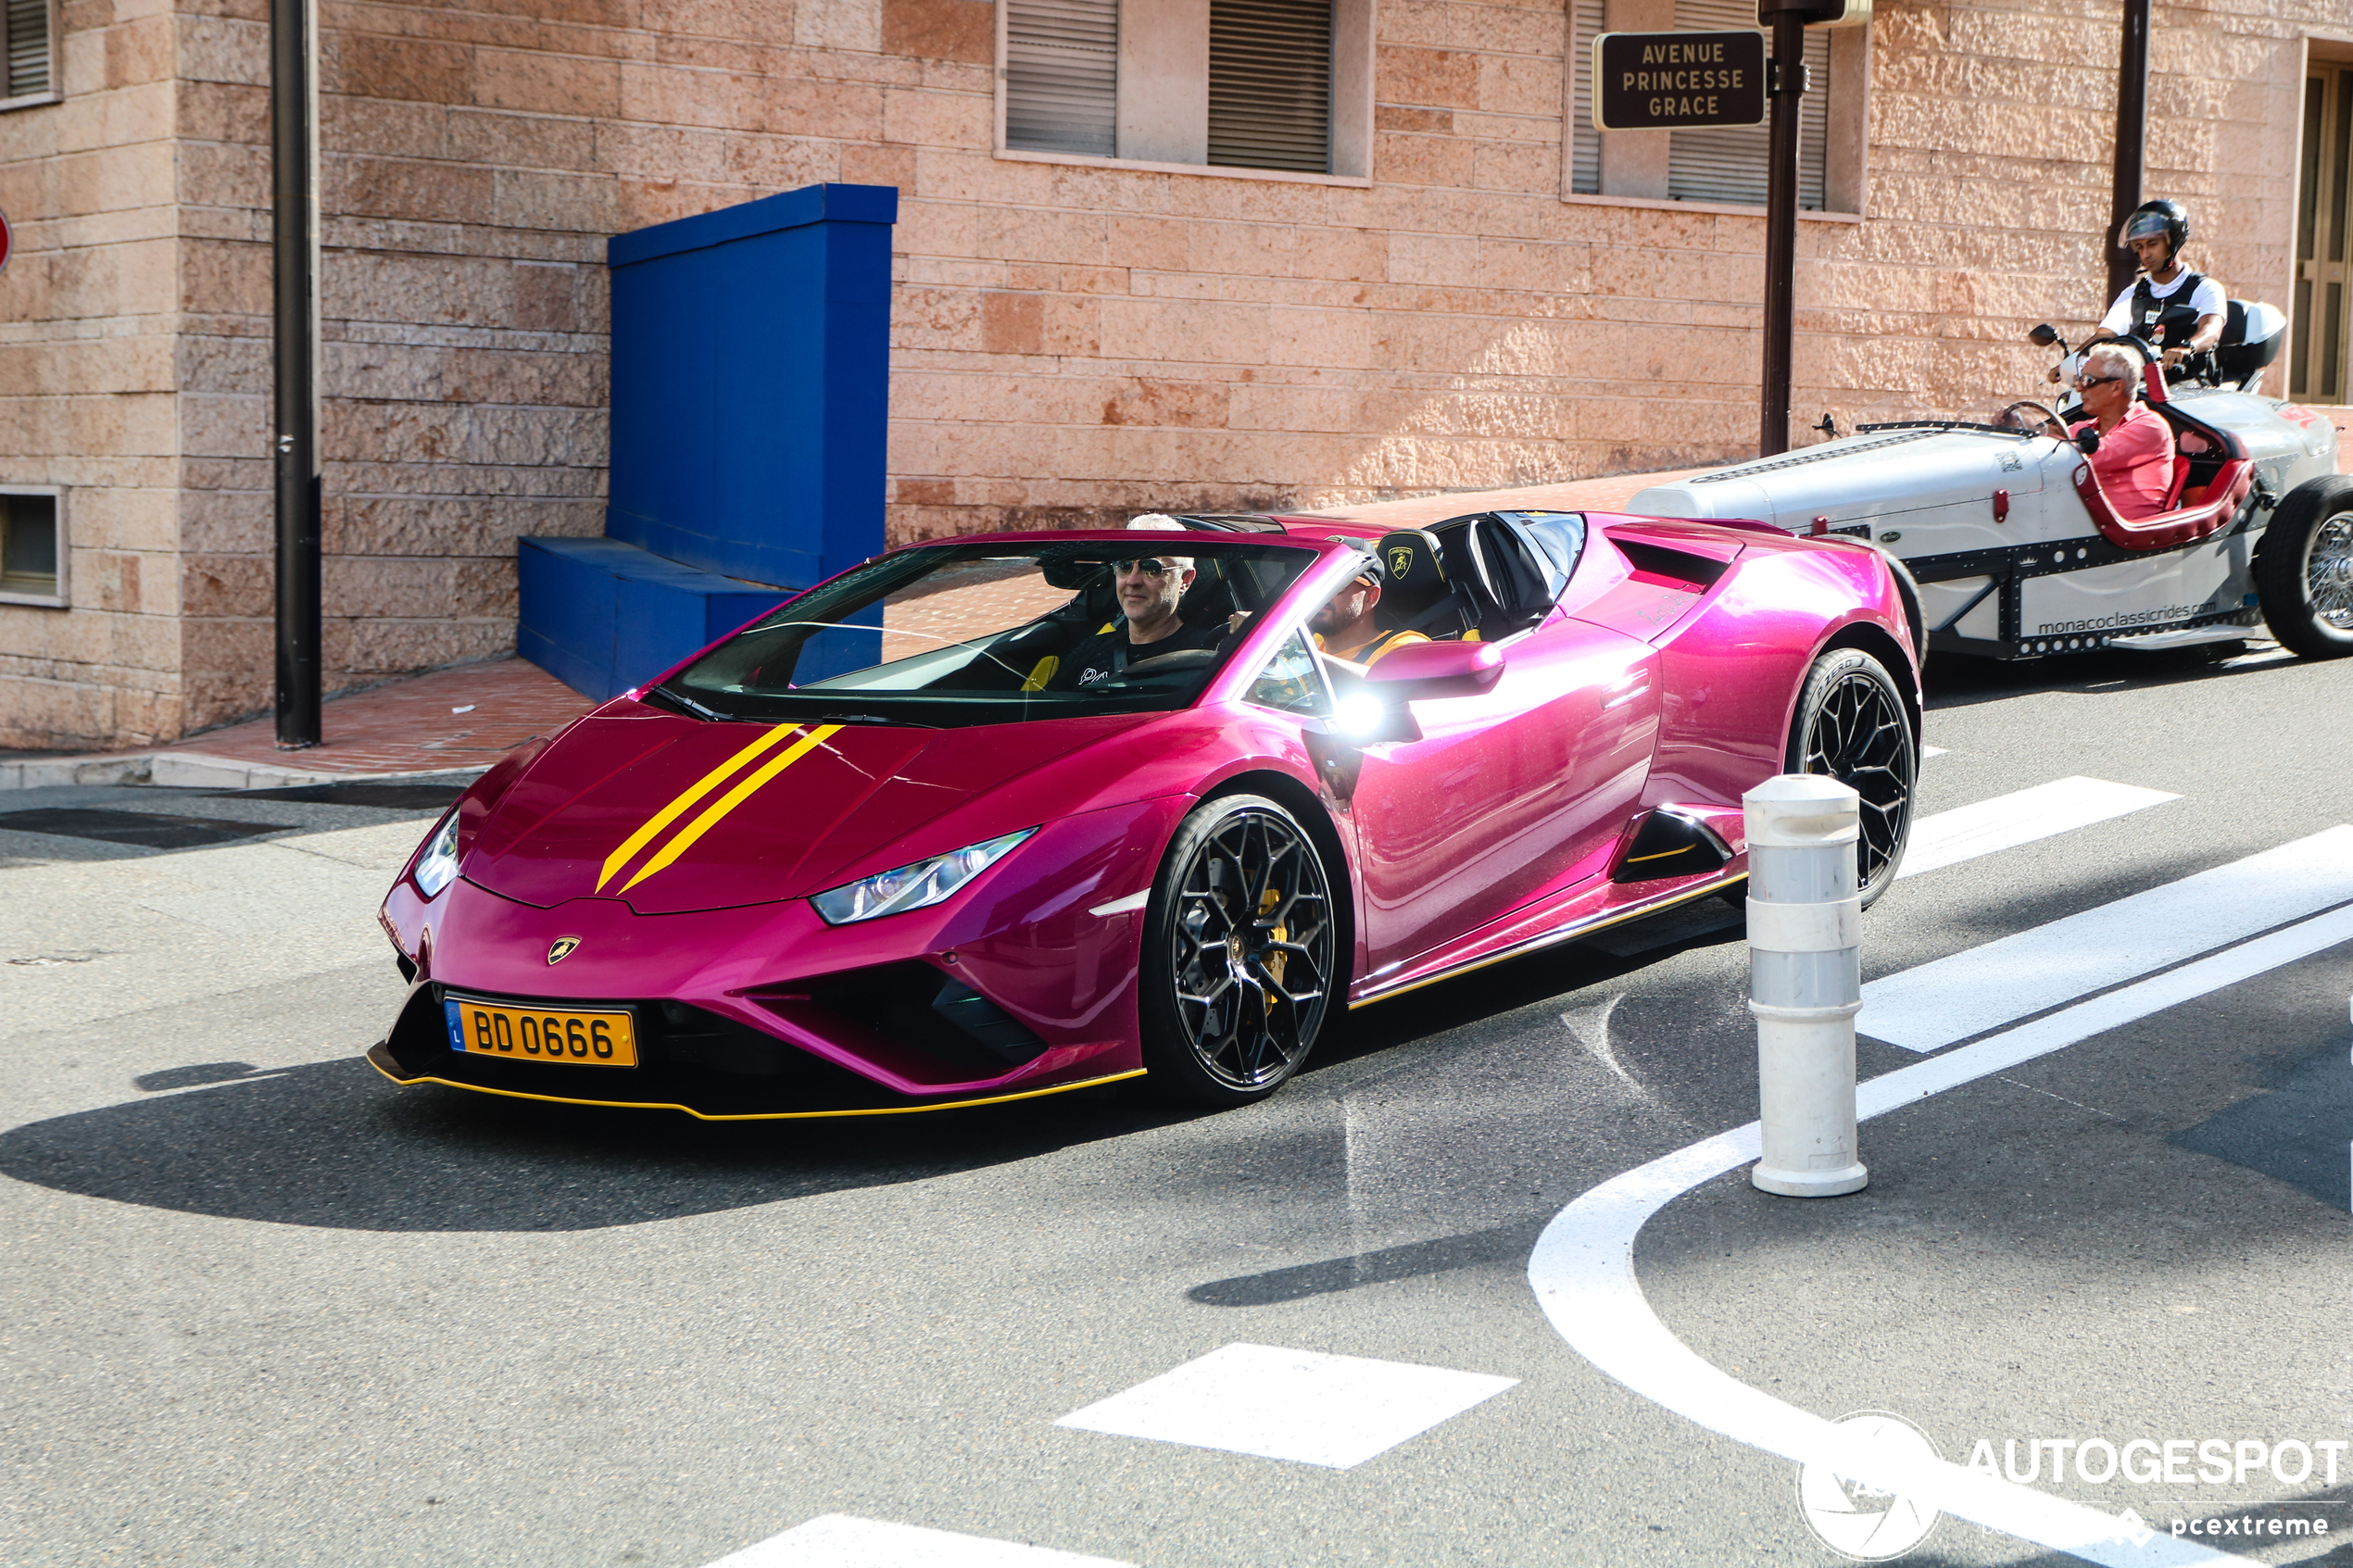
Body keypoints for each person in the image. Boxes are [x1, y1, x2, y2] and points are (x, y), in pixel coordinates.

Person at [1045, 553, 1226, 689]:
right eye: (1125, 567)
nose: (1132, 580)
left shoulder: (1211, 653)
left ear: (1185, 580)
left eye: (1151, 569)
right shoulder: (1092, 647)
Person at [2068, 342, 2178, 521]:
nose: (2079, 388)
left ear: (2116, 387)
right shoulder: (2084, 427)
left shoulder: (2151, 426)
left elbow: (2092, 457)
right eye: (2079, 380)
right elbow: (2050, 441)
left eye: (2088, 380)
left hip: (2120, 539)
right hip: (2081, 526)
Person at [1310, 555, 1430, 675]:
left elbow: (1395, 681)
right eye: (1316, 583)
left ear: (1370, 598)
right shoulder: (1309, 645)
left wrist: (1309, 661)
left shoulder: (1405, 644)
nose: (1322, 594)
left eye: (1338, 585)